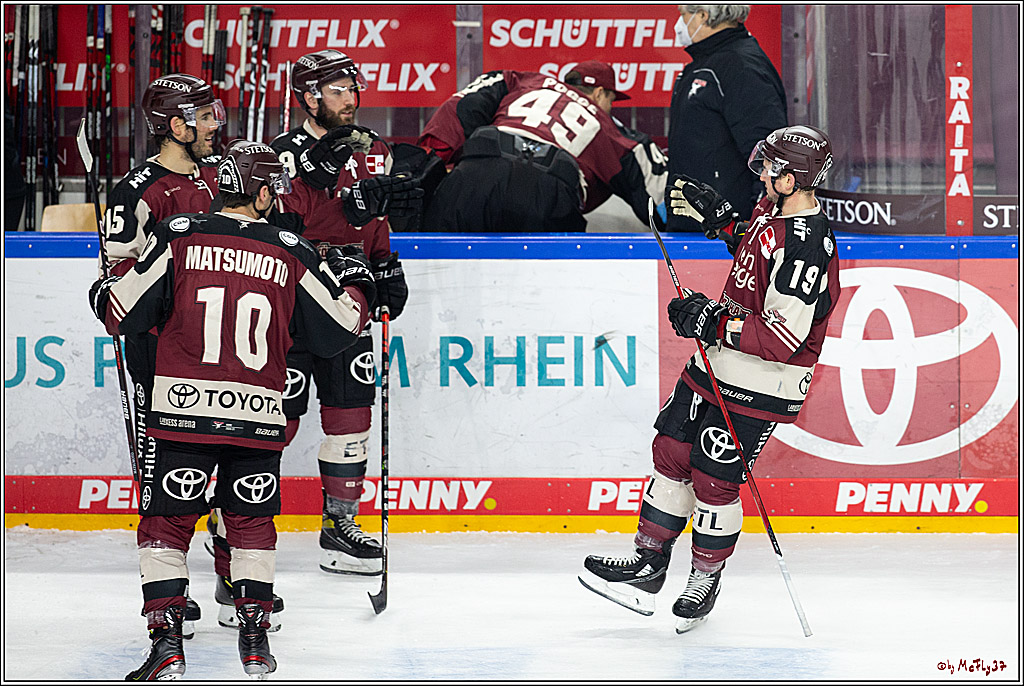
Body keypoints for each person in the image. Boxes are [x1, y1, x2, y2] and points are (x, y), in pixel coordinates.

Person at [89, 140, 377, 679]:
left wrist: (104, 285)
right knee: (250, 522)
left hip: (181, 411)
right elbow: (341, 329)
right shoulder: (292, 248)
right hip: (259, 418)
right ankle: (254, 643)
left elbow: (118, 311)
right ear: (265, 191)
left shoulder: (179, 236)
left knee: (166, 527)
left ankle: (167, 645)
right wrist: (357, 278)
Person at [580, 125, 839, 633]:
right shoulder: (773, 211)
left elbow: (780, 338)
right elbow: (754, 254)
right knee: (671, 453)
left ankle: (705, 577)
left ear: (794, 177)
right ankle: (649, 561)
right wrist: (723, 221)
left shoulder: (807, 244)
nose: (762, 174)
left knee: (714, 479)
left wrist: (709, 321)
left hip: (762, 382)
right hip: (715, 365)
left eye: (771, 168)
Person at [203, 49, 417, 584]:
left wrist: (386, 265)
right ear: (308, 97)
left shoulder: (374, 150)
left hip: (351, 296)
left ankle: (339, 527)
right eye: (338, 90)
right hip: (294, 301)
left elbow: (376, 219)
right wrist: (343, 211)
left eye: (353, 88)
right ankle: (238, 516)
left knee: (351, 413)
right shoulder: (279, 154)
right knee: (278, 415)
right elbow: (281, 227)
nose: (352, 99)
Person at [102, 73, 226, 637]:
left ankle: (235, 578)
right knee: (164, 477)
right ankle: (170, 598)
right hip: (160, 358)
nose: (215, 124)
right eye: (204, 116)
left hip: (221, 354)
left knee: (230, 465)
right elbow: (115, 284)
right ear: (176, 126)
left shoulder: (223, 177)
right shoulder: (136, 191)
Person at [417, 60, 667, 232]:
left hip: (480, 172)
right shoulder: (610, 126)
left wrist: (432, 162)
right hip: (548, 189)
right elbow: (658, 194)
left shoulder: (520, 81)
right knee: (547, 296)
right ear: (600, 93)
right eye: (611, 100)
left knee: (433, 263)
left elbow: (460, 108)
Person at [665, 5, 787, 232]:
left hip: (725, 231)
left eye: (683, 14)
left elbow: (769, 153)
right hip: (696, 223)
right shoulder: (705, 62)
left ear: (703, 15)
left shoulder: (741, 66)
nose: (679, 23)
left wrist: (752, 228)